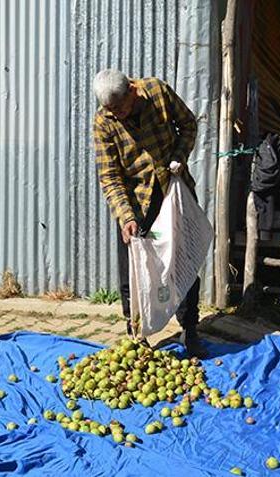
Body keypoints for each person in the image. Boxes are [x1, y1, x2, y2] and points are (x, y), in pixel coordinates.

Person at [91, 69, 207, 358]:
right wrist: (126, 216)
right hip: (136, 200)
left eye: (120, 108)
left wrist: (179, 155)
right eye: (110, 110)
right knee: (135, 270)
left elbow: (189, 124)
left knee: (185, 260)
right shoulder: (103, 122)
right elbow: (109, 175)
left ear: (133, 90)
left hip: (172, 191)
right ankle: (137, 333)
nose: (116, 115)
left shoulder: (158, 92)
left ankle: (189, 329)